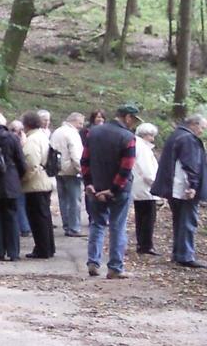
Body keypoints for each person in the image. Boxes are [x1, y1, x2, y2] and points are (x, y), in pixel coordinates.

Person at [81, 104, 140, 278]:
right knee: (117, 227)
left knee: (97, 224)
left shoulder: (93, 132)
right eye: (134, 119)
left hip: (96, 187)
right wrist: (113, 189)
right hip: (118, 191)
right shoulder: (128, 137)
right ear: (127, 117)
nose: (134, 123)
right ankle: (115, 267)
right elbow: (126, 167)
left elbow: (84, 160)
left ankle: (93, 261)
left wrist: (89, 183)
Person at [150, 114, 207, 268]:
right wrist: (193, 186)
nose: (202, 131)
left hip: (174, 187)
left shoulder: (176, 135)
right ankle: (185, 255)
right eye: (202, 127)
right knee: (188, 221)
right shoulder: (188, 139)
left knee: (180, 221)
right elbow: (191, 164)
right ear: (194, 124)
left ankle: (179, 253)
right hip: (183, 188)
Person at [0, 112, 26, 262]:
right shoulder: (12, 138)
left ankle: (0, 252)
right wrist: (17, 177)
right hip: (10, 182)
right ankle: (14, 252)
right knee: (12, 216)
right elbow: (21, 161)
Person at [20, 111, 56, 258]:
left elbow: (31, 163)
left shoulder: (32, 140)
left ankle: (42, 248)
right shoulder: (42, 136)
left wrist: (23, 179)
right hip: (45, 180)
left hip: (36, 184)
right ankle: (48, 247)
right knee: (45, 216)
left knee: (37, 218)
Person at [51, 112, 86, 237]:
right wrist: (81, 170)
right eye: (80, 123)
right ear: (74, 121)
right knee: (74, 200)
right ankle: (74, 227)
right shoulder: (72, 134)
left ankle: (66, 225)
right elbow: (76, 155)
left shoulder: (56, 132)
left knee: (63, 199)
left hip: (57, 169)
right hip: (71, 171)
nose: (81, 126)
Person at [131, 122, 160, 255]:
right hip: (145, 188)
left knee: (141, 217)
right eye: (151, 135)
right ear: (145, 135)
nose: (153, 139)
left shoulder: (137, 145)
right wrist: (155, 184)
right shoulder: (143, 148)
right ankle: (146, 245)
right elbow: (147, 170)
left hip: (139, 187)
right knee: (148, 217)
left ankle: (142, 244)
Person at [8, 119, 32, 237]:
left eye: (21, 130)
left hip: (21, 175)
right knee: (20, 202)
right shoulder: (14, 141)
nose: (19, 133)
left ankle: (24, 226)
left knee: (21, 202)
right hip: (17, 176)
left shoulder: (24, 141)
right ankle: (24, 226)